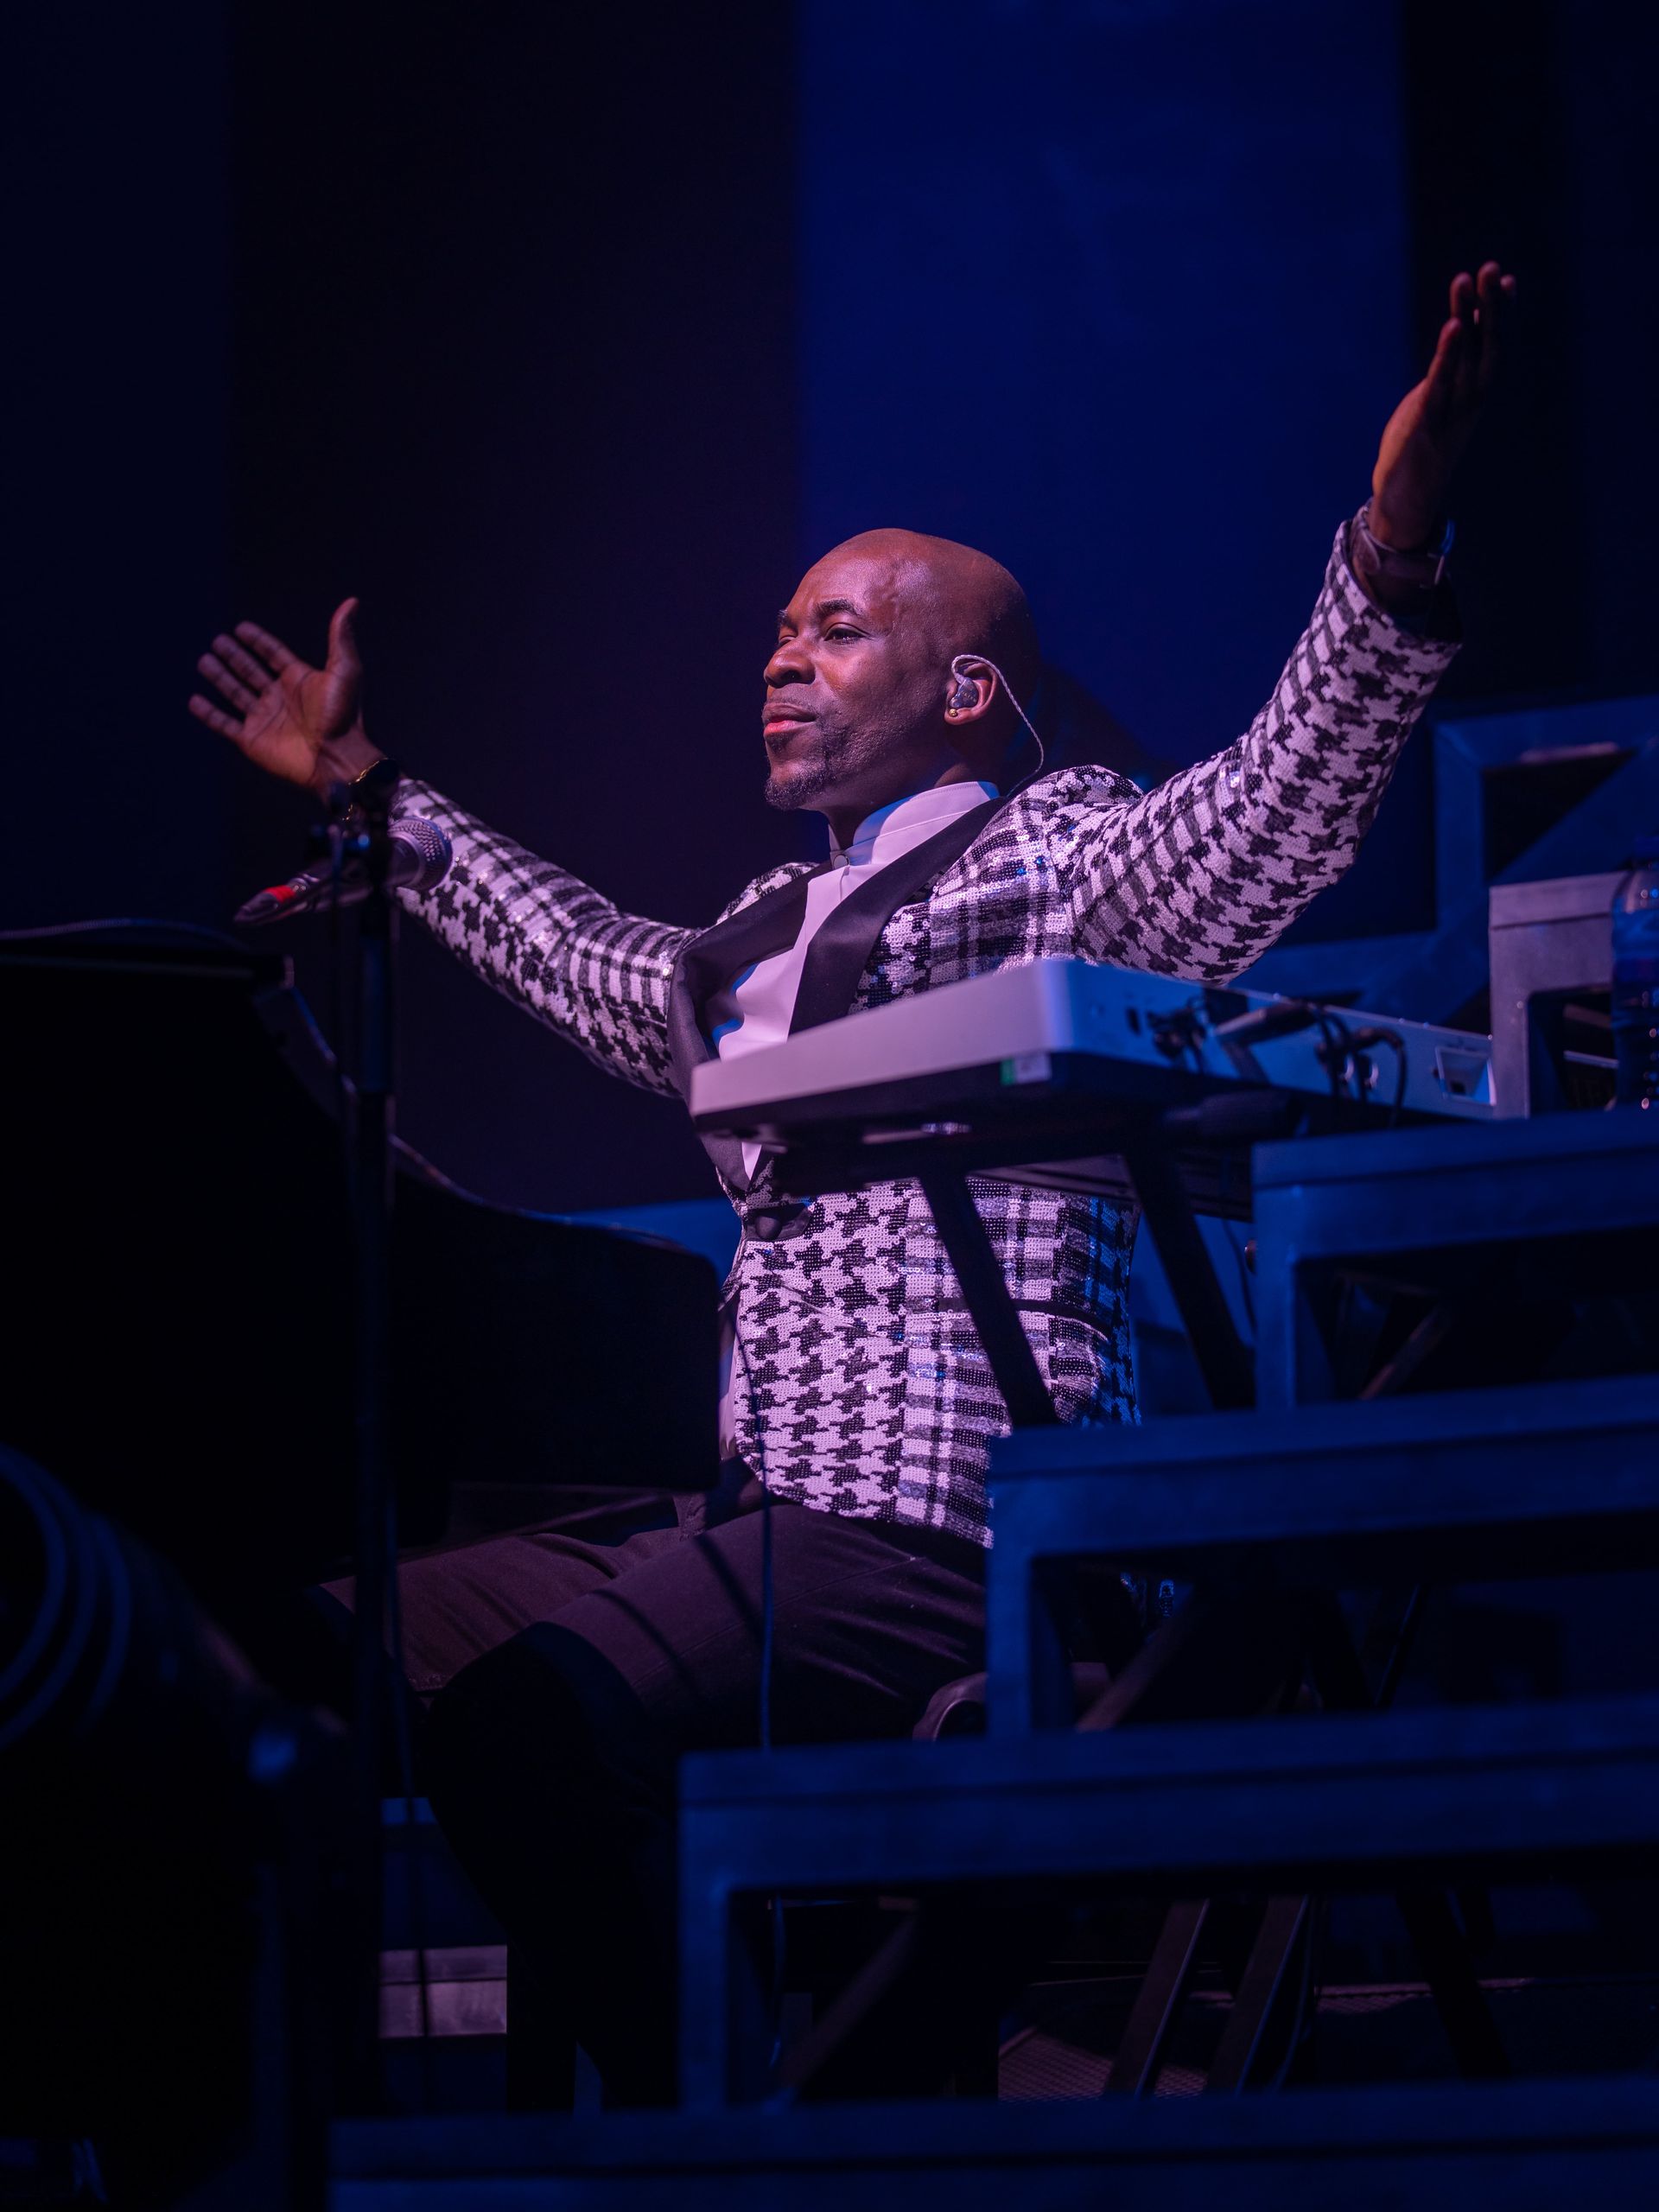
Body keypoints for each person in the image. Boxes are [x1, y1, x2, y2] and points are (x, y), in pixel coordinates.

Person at [190, 263, 1515, 2101]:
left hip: (936, 1526)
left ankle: (743, 2125)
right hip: (746, 1512)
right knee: (271, 1637)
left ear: (967, 687)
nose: (779, 660)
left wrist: (1393, 536)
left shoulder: (1058, 856)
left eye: (830, 632)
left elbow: (1271, 809)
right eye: (776, 635)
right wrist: (370, 800)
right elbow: (584, 956)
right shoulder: (761, 930)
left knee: (527, 1723)